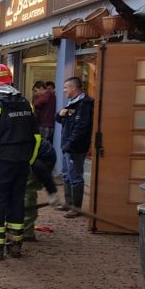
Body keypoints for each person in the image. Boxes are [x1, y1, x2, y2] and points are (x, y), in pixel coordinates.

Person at [0, 64, 40, 260]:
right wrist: (30, 160)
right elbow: (36, 137)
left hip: (1, 163)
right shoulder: (26, 104)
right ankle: (15, 245)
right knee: (16, 201)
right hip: (22, 163)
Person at [55, 77, 94, 218]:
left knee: (75, 176)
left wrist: (69, 144)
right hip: (67, 146)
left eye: (66, 87)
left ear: (73, 88)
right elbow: (60, 119)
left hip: (76, 147)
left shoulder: (84, 104)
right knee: (66, 174)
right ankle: (68, 203)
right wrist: (60, 114)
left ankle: (76, 208)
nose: (64, 90)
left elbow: (81, 128)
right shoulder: (72, 103)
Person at [22, 139, 60, 242]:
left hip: (43, 159)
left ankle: (27, 233)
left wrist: (52, 192)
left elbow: (42, 170)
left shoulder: (30, 156)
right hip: (32, 157)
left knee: (28, 194)